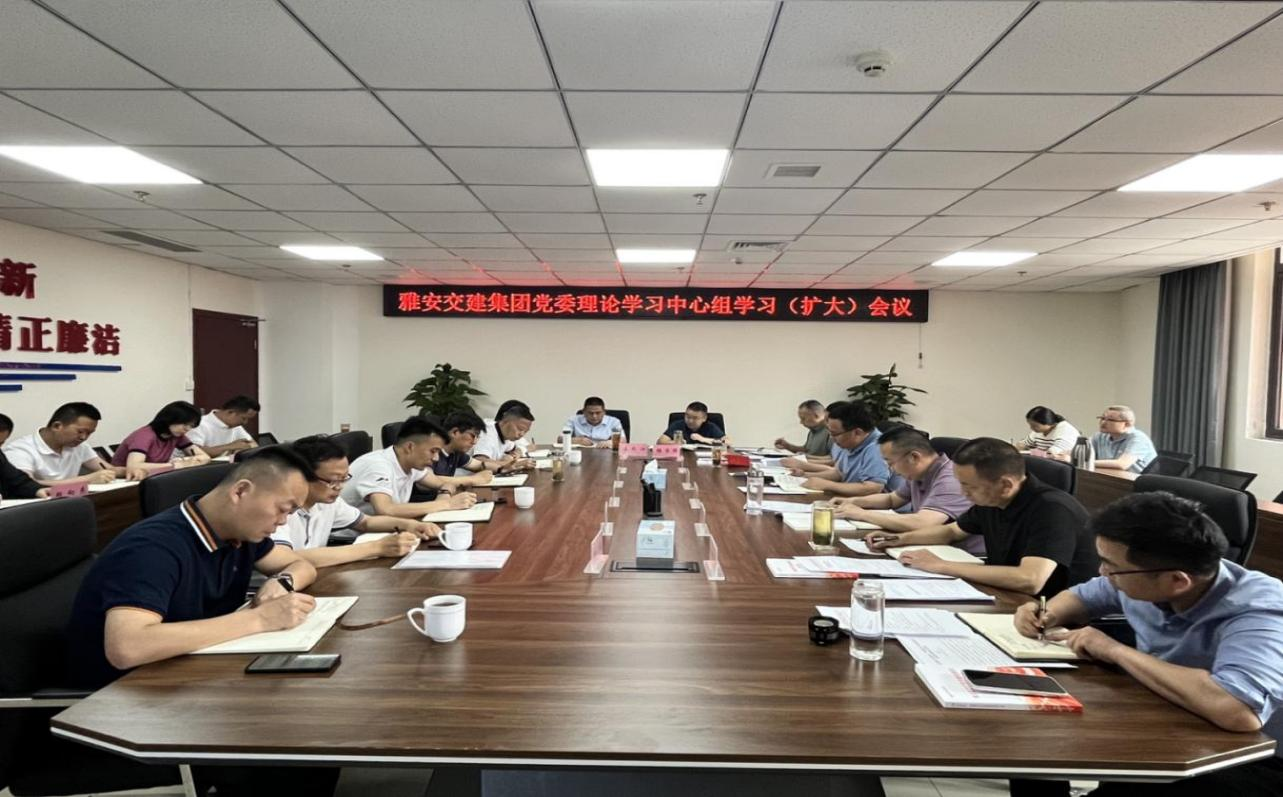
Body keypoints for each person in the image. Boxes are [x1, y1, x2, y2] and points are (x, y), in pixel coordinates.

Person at [1014, 492, 1283, 795]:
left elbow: (1239, 712)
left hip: (1253, 756)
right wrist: (1043, 612)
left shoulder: (1260, 609)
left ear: (1177, 581)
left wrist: (1115, 651)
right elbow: (1082, 597)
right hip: (1172, 716)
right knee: (1031, 734)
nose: (1103, 572)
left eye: (1111, 566)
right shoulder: (1145, 575)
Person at [67, 447, 320, 689]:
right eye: (283, 509)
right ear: (240, 491)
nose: (283, 521)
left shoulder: (239, 532)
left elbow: (300, 565)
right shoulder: (152, 548)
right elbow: (128, 647)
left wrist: (282, 581)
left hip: (192, 670)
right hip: (124, 693)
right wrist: (260, 619)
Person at [868, 437, 1097, 597]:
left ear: (1006, 484)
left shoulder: (1053, 509)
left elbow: (1030, 579)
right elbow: (951, 531)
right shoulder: (992, 499)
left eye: (969, 486)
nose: (963, 493)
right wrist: (898, 539)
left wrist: (941, 565)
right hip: (1009, 597)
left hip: (1056, 615)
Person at [271, 435, 440, 567]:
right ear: (302, 475)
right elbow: (286, 558)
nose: (339, 487)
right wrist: (376, 548)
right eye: (333, 480)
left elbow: (365, 522)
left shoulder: (328, 501)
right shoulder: (279, 509)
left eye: (344, 478)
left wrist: (410, 525)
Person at [831, 426, 974, 537]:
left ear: (914, 457)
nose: (889, 468)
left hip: (965, 555)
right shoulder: (919, 473)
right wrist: (852, 502)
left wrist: (861, 514)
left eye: (890, 462)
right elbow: (892, 499)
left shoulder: (950, 480)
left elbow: (922, 523)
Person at [341, 415, 478, 519]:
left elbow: (442, 484)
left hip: (387, 529)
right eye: (433, 451)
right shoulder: (378, 465)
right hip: (350, 540)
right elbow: (386, 510)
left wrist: (444, 493)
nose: (436, 458)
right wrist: (446, 504)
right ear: (410, 447)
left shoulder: (411, 464)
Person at [4, 401, 143, 485]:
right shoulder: (20, 450)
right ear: (57, 426)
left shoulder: (78, 446)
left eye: (89, 433)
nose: (84, 438)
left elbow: (107, 469)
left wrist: (130, 471)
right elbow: (25, 485)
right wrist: (86, 480)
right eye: (80, 431)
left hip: (70, 503)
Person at [783, 401, 890, 497]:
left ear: (857, 432)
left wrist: (828, 485)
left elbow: (872, 488)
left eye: (835, 434)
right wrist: (804, 475)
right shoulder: (851, 443)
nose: (832, 439)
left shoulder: (877, 448)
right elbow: (839, 473)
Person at [110, 401, 211, 473]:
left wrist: (189, 461)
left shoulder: (176, 435)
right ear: (170, 418)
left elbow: (205, 457)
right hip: (122, 480)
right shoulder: (144, 435)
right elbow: (134, 466)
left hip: (151, 476)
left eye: (191, 426)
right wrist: (175, 465)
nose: (187, 429)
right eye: (184, 424)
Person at [419, 410, 497, 498]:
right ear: (455, 432)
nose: (475, 442)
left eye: (477, 437)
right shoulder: (431, 450)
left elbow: (479, 465)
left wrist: (502, 468)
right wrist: (473, 479)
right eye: (473, 436)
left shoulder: (456, 452)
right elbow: (426, 481)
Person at [1079, 404, 1157, 473]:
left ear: (1126, 424)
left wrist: (1084, 462)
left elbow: (1122, 464)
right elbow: (1081, 453)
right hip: (1110, 477)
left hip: (1135, 481)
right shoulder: (1100, 436)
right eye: (1102, 418)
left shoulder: (1138, 438)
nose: (1103, 423)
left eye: (1110, 420)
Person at [471, 400, 536, 472]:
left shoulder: (506, 435)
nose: (522, 434)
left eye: (525, 431)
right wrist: (517, 464)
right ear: (506, 421)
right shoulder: (487, 432)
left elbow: (515, 449)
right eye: (520, 429)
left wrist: (515, 454)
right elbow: (479, 461)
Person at [186, 395, 260, 458]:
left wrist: (240, 449)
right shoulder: (200, 424)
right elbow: (194, 452)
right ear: (230, 412)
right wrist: (230, 446)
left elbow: (253, 445)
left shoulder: (236, 426)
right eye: (243, 418)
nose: (245, 422)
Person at [1013, 406, 1080, 458]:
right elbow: (1024, 444)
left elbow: (1052, 454)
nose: (1031, 428)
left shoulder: (1065, 431)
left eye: (1035, 426)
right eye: (1030, 425)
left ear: (1048, 423)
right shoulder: (1038, 431)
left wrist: (1031, 452)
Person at [658, 401, 726, 445]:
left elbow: (727, 442)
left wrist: (703, 439)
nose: (690, 421)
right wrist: (675, 443)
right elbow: (660, 441)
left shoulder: (711, 426)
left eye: (695, 418)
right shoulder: (678, 425)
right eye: (687, 417)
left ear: (704, 418)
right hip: (682, 458)